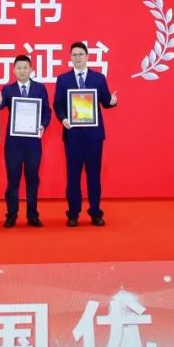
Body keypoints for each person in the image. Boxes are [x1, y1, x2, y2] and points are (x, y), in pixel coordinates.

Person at [53, 42, 117, 227]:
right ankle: (73, 213)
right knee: (73, 176)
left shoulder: (98, 78)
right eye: (74, 55)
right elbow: (58, 104)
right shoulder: (63, 79)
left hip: (94, 136)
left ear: (87, 56)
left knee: (94, 175)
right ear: (70, 58)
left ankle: (95, 212)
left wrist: (112, 101)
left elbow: (105, 102)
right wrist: (63, 118)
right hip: (72, 135)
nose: (78, 57)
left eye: (81, 54)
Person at [0, 55, 51, 227]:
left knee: (32, 179)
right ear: (14, 70)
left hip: (33, 142)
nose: (22, 71)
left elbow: (47, 111)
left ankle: (32, 215)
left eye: (25, 68)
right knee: (13, 179)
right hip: (14, 143)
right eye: (19, 68)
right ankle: (11, 215)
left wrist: (43, 125)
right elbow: (0, 106)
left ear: (31, 69)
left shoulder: (40, 88)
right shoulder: (8, 89)